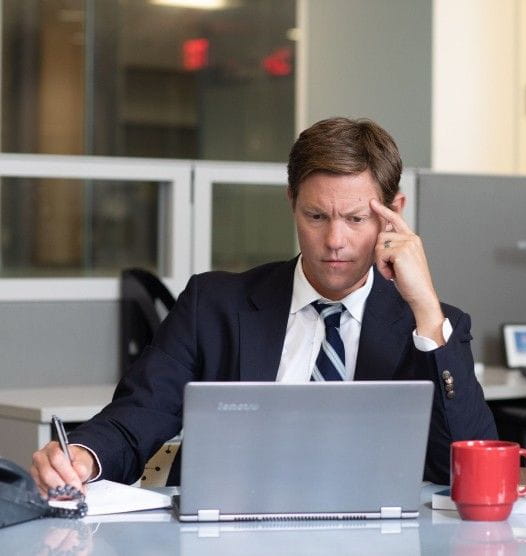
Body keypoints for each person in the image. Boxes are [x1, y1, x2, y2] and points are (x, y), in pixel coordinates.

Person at [31, 117, 497, 493]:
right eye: (316, 216)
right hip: (227, 536)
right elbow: (139, 416)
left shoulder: (431, 324)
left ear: (394, 211)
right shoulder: (212, 305)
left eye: (356, 219)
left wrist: (427, 310)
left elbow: (469, 463)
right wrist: (83, 456)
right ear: (291, 202)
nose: (335, 241)